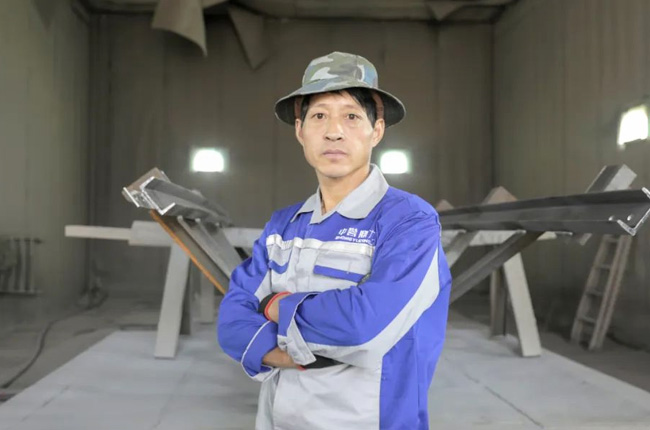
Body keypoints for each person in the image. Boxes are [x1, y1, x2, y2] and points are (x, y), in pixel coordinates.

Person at [217, 51, 451, 430]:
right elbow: (230, 321)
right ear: (300, 131)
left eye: (352, 116)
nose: (334, 131)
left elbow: (365, 326)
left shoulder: (409, 222)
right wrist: (286, 356)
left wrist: (275, 306)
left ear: (377, 131)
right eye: (319, 116)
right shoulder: (283, 225)